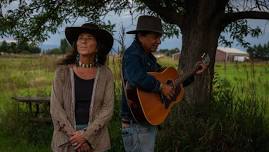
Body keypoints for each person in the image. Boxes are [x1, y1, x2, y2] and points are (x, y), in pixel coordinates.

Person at [121, 15, 208, 152]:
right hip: (136, 124)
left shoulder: (148, 57)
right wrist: (160, 87)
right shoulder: (132, 54)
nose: (159, 41)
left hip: (145, 122)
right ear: (141, 36)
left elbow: (169, 83)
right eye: (155, 37)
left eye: (159, 37)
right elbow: (136, 77)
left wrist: (192, 73)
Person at [50, 23, 114, 152]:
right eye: (80, 38)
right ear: (76, 45)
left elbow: (107, 109)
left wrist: (86, 136)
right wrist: (76, 138)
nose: (84, 41)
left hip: (96, 139)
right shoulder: (62, 72)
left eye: (89, 38)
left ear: (97, 46)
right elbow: (55, 108)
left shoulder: (106, 74)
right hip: (66, 138)